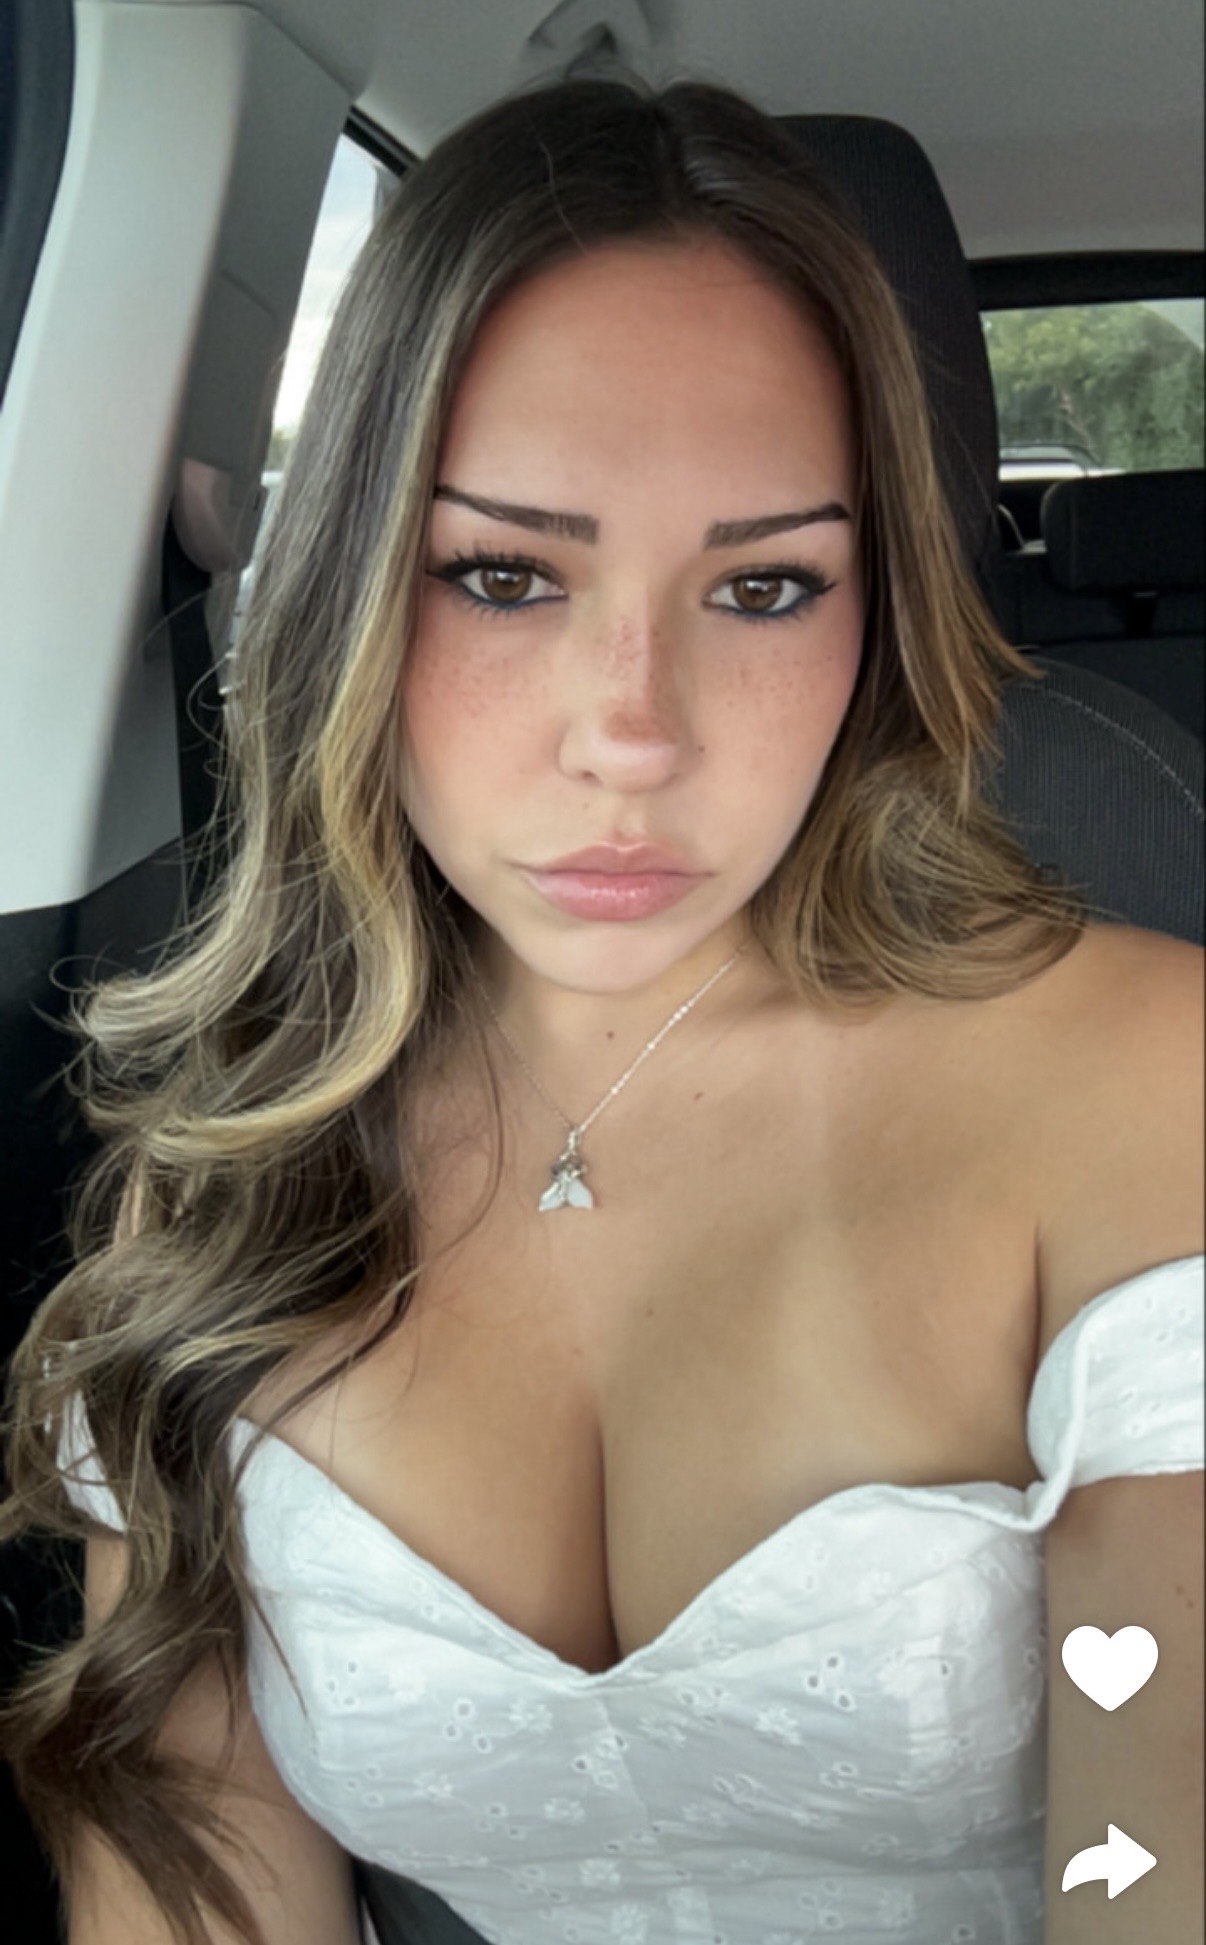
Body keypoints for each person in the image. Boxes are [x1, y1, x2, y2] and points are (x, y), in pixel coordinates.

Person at [1, 71, 1202, 1945]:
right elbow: (185, 1890)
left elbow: (1157, 1859)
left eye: (763, 585)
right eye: (503, 574)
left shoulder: (1138, 1087)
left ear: (876, 611)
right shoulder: (229, 1172)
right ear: (348, 593)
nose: (633, 733)